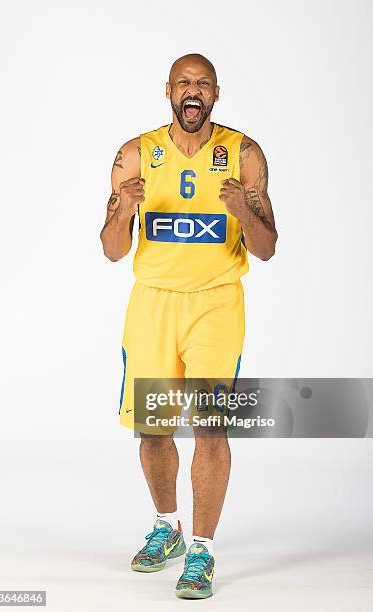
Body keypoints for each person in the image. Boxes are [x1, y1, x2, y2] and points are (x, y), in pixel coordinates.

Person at [100, 53, 277, 599]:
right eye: (183, 83)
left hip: (215, 304)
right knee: (153, 428)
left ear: (216, 93)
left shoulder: (242, 155)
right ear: (169, 92)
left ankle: (201, 550)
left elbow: (268, 249)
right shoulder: (137, 155)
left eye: (202, 83)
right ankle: (166, 528)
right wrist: (121, 212)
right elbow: (111, 251)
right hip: (153, 303)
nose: (192, 91)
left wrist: (244, 213)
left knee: (210, 426)